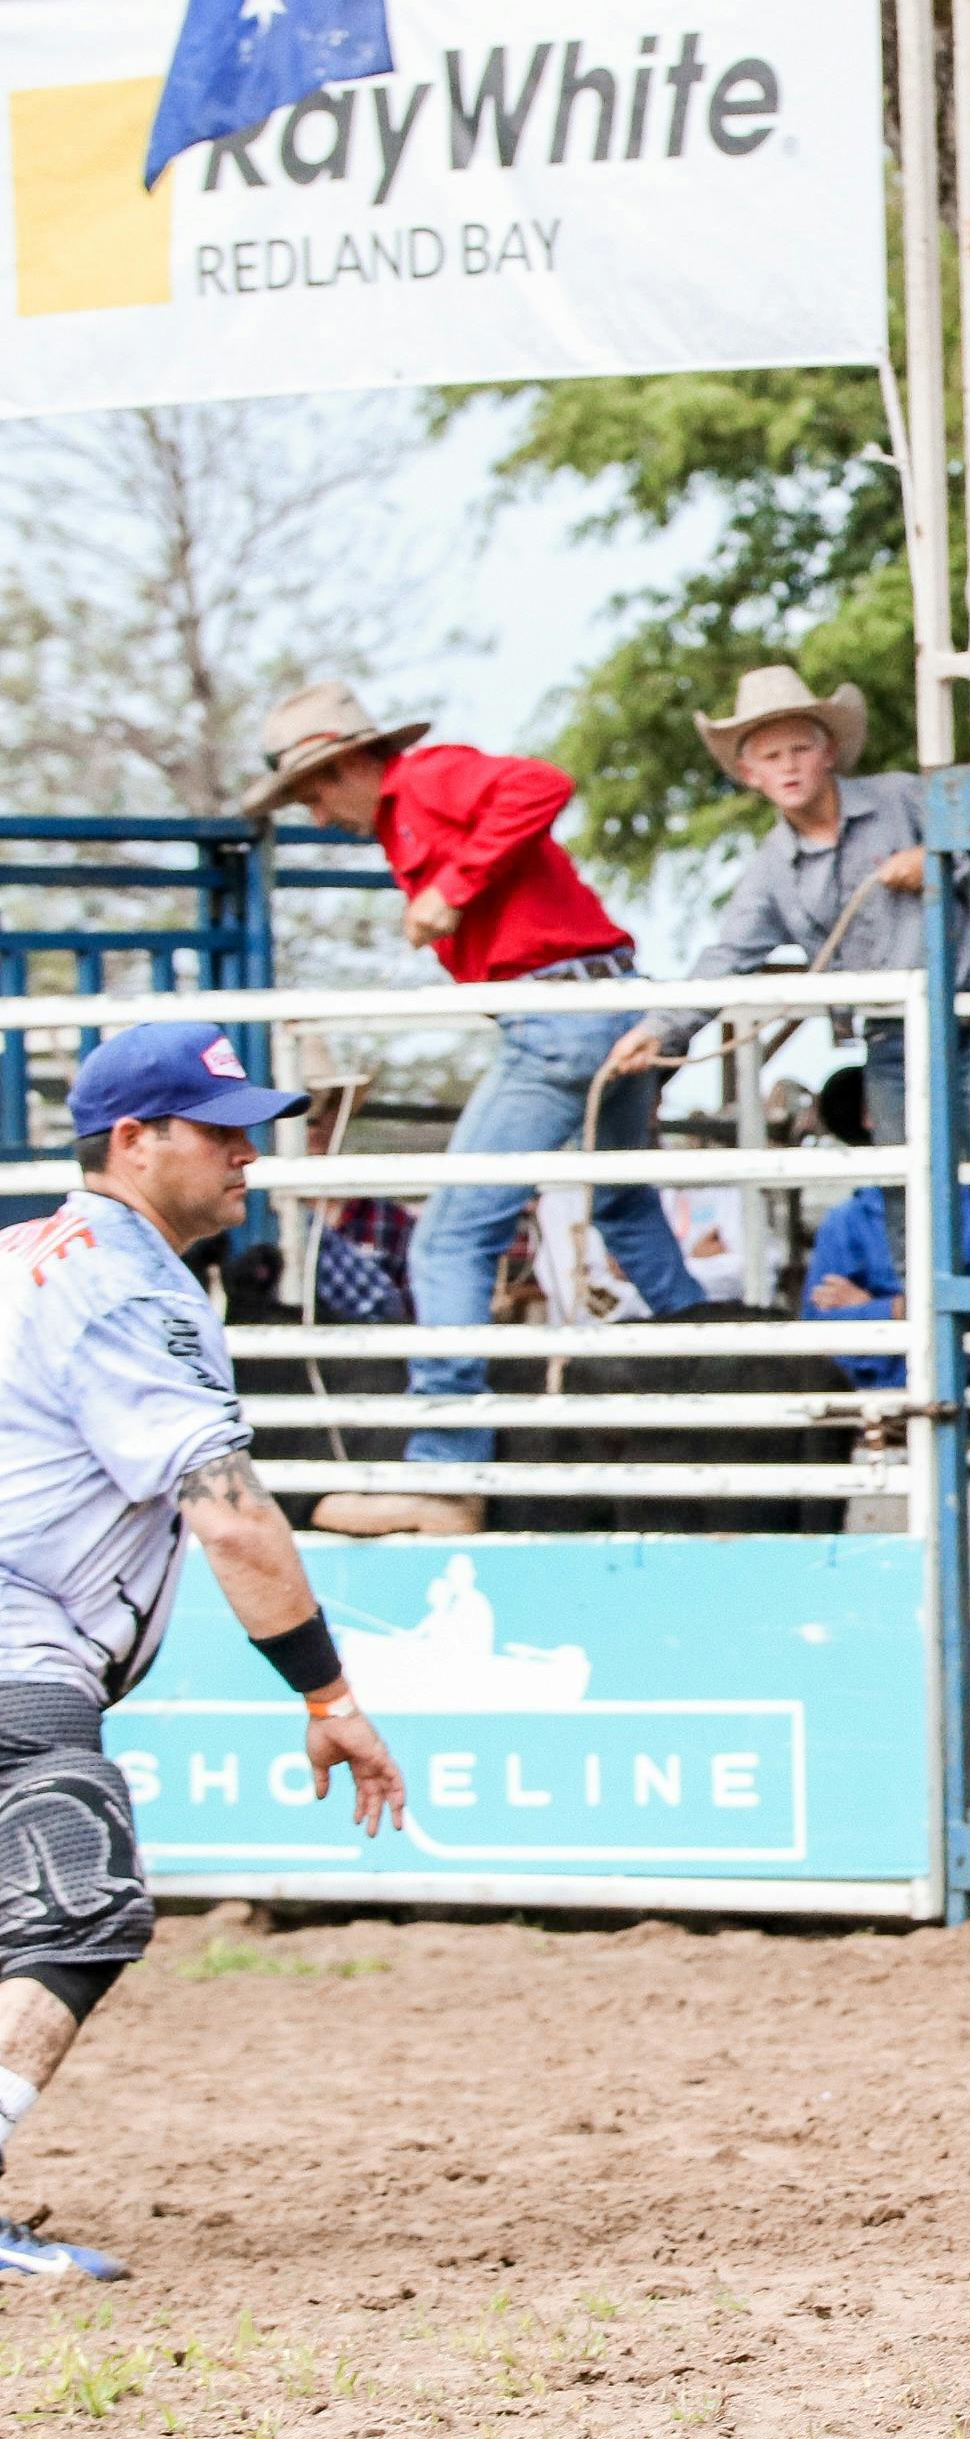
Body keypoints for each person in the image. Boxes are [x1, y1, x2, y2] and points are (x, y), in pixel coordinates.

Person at [0, 1024, 407, 2279]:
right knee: (79, 1903)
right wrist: (328, 1690)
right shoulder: (127, 1285)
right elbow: (226, 1511)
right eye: (221, 1128)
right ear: (134, 1140)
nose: (251, 1153)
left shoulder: (24, 1252)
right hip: (21, 1633)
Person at [240, 681, 707, 1539]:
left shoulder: (423, 782)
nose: (314, 810)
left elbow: (540, 784)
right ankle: (714, 1365)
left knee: (451, 1236)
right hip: (609, 1000)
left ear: (349, 762)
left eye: (313, 790)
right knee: (623, 1204)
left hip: (559, 1016)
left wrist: (452, 885)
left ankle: (446, 1463)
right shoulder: (407, 814)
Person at [605, 667, 928, 1145]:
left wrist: (935, 861)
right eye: (772, 757)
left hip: (969, 1011)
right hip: (888, 1035)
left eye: (800, 750)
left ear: (829, 754)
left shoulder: (902, 798)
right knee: (906, 1182)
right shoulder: (772, 869)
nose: (789, 767)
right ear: (751, 775)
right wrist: (661, 1030)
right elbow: (729, 955)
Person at [799, 1065, 905, 1396]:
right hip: (871, 1407)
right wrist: (896, 1309)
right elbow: (821, 1332)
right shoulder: (846, 1222)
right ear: (868, 1116)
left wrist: (873, 1309)